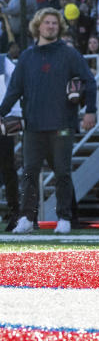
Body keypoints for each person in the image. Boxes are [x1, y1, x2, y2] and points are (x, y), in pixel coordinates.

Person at [0, 9, 96, 235]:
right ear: (38, 26)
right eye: (47, 23)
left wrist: (91, 111)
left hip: (62, 124)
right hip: (33, 125)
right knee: (29, 173)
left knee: (62, 172)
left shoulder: (69, 54)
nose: (51, 26)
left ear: (59, 27)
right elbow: (13, 91)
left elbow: (89, 82)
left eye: (54, 23)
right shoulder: (26, 57)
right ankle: (26, 217)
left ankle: (64, 217)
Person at [0, 42, 21, 231]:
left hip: (2, 120)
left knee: (7, 168)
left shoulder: (3, 62)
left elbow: (17, 83)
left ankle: (15, 211)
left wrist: (12, 113)